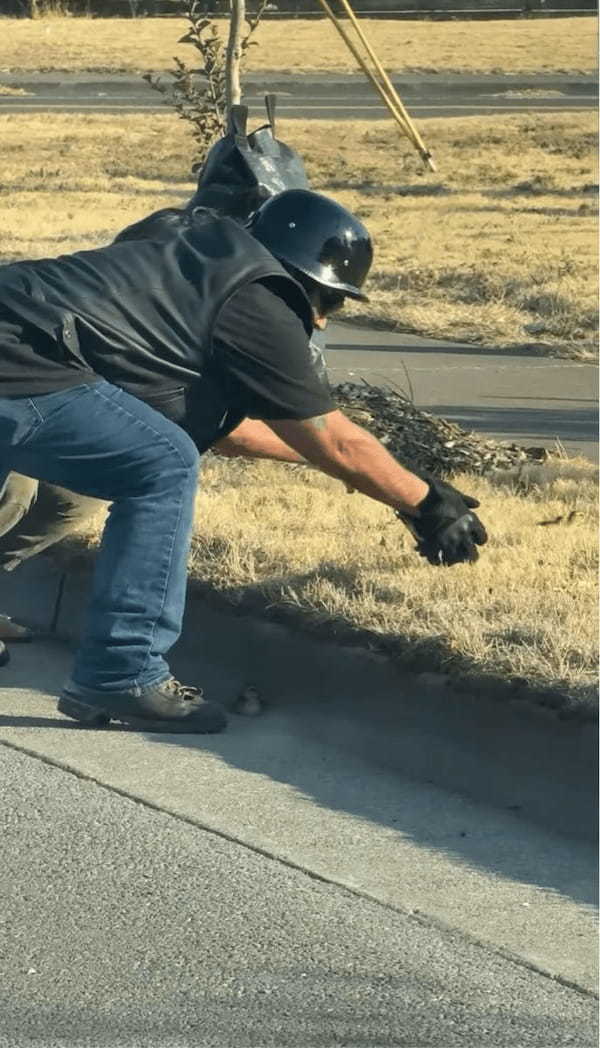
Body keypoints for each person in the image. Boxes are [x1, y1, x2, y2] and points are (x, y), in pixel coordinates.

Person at [0, 189, 487, 733]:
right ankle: (122, 673)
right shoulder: (261, 299)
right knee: (163, 464)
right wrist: (426, 501)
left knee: (136, 452)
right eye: (333, 301)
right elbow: (332, 438)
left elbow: (242, 435)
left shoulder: (201, 260)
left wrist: (368, 472)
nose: (324, 322)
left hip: (18, 340)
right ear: (308, 279)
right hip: (20, 361)